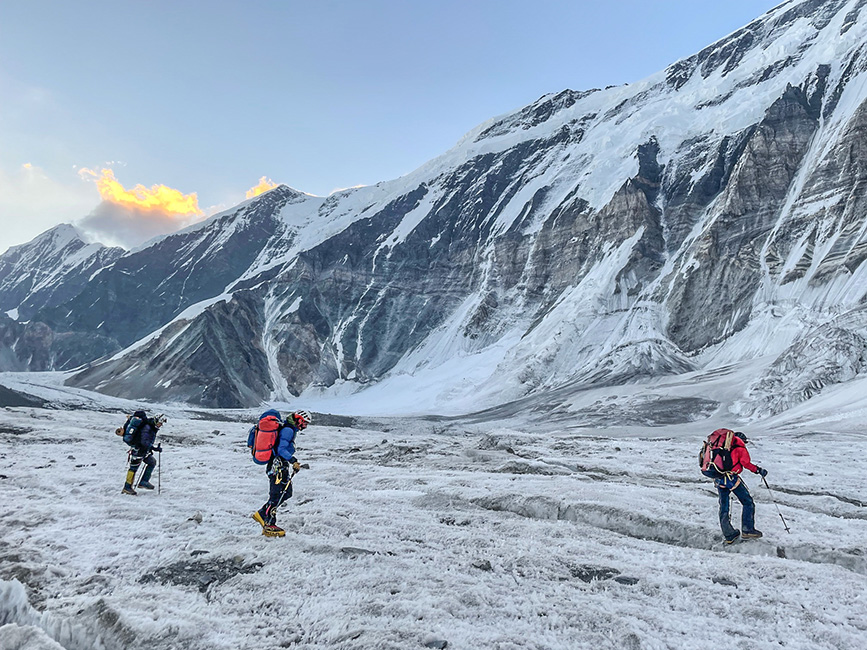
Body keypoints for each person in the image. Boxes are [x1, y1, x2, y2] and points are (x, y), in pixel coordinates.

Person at [248, 409, 311, 537]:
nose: (305, 426)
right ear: (298, 419)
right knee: (277, 494)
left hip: (278, 465)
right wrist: (293, 460)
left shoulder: (289, 429)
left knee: (285, 493)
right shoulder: (288, 430)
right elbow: (281, 449)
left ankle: (263, 514)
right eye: (304, 423)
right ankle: (269, 524)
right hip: (278, 465)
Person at [712, 430, 768, 544]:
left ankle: (729, 535)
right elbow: (746, 463)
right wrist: (758, 470)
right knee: (747, 502)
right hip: (731, 479)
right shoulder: (740, 448)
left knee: (724, 506)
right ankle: (748, 530)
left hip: (719, 478)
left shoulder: (720, 447)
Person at [121, 412, 165, 495]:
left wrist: (151, 448)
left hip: (142, 451)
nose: (160, 425)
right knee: (133, 468)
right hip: (138, 451)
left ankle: (143, 482)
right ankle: (127, 487)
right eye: (160, 423)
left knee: (152, 462)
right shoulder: (147, 427)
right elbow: (144, 442)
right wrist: (154, 448)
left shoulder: (150, 427)